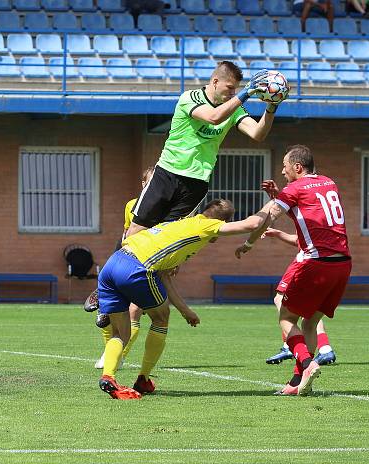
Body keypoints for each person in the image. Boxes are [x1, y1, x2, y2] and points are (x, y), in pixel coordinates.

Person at [86, 61, 285, 314]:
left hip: (195, 185)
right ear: (214, 82)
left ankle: (126, 301)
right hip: (166, 174)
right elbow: (214, 117)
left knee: (166, 240)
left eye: (236, 90)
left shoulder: (233, 109)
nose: (233, 93)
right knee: (135, 233)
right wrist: (246, 93)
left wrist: (271, 107)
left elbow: (258, 134)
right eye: (230, 88)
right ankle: (103, 291)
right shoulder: (189, 98)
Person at [97, 199, 270, 399]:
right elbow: (252, 224)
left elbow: (163, 277)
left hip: (113, 263)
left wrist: (185, 311)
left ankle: (108, 377)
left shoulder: (179, 224)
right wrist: (274, 203)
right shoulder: (206, 224)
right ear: (223, 221)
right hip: (136, 268)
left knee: (121, 333)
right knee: (160, 318)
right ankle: (143, 378)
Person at [236, 145, 351, 396]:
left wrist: (248, 242)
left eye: (285, 167)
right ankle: (298, 382)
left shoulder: (295, 189)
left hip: (315, 263)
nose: (282, 171)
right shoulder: (328, 183)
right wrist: (282, 195)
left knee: (286, 318)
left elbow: (267, 218)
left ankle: (308, 365)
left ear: (297, 167)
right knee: (309, 324)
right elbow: (310, 214)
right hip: (342, 264)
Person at [93, 166, 155, 370]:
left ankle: (119, 356)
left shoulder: (164, 208)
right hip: (125, 258)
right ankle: (110, 352)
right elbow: (126, 233)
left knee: (134, 312)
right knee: (110, 313)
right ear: (143, 183)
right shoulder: (131, 205)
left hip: (149, 262)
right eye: (149, 181)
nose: (152, 185)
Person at [262, 227, 337, 366]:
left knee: (283, 301)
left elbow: (300, 240)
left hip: (306, 261)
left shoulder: (307, 208)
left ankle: (291, 345)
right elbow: (302, 239)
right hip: (322, 262)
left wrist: (250, 242)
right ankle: (324, 347)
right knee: (309, 309)